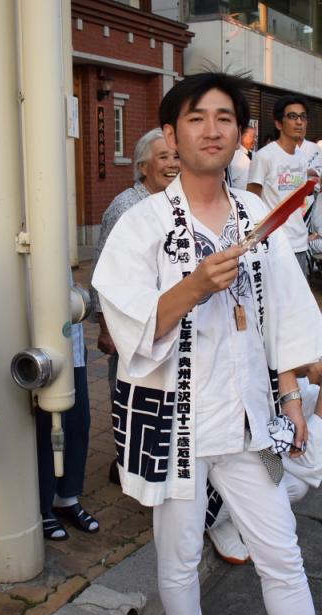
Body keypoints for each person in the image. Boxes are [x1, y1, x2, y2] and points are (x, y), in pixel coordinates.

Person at [93, 72, 322, 615]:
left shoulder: (254, 211)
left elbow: (281, 305)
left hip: (246, 411)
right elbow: (126, 328)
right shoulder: (142, 224)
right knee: (176, 559)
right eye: (196, 118)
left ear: (239, 133)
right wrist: (195, 285)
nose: (211, 129)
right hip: (174, 416)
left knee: (281, 552)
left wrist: (291, 397)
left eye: (224, 118)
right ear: (172, 134)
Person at [206, 312, 322, 564]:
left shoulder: (296, 377)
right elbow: (311, 458)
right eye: (318, 350)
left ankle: (244, 516)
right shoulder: (263, 373)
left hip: (243, 460)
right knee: (281, 492)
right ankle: (219, 523)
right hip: (210, 481)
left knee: (290, 486)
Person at [93, 128, 180, 484]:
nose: (173, 164)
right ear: (143, 166)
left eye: (176, 157)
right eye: (163, 158)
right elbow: (102, 269)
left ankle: (154, 461)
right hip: (130, 321)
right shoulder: (126, 207)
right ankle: (127, 463)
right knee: (129, 392)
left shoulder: (176, 201)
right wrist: (104, 327)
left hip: (166, 318)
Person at [247, 94, 322, 274]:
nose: (299, 122)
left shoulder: (301, 158)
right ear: (278, 123)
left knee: (299, 300)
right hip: (275, 243)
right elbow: (252, 200)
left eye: (303, 117)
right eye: (292, 116)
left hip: (300, 240)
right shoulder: (264, 156)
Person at [35, 315, 98, 540]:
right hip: (39, 343)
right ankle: (42, 505)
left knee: (77, 420)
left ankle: (66, 496)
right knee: (45, 425)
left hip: (71, 341)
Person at [227, 124, 255, 190]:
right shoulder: (235, 156)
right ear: (242, 136)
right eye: (252, 137)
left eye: (255, 137)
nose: (255, 140)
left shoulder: (253, 155)